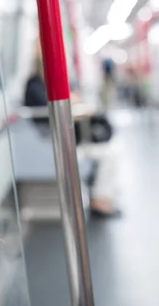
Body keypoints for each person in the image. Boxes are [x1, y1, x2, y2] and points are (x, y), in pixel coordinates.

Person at [23, 46, 121, 218]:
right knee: (109, 153)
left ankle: (102, 197)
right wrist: (72, 108)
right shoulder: (34, 87)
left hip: (55, 137)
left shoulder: (39, 85)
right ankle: (99, 201)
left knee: (109, 150)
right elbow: (49, 113)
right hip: (51, 141)